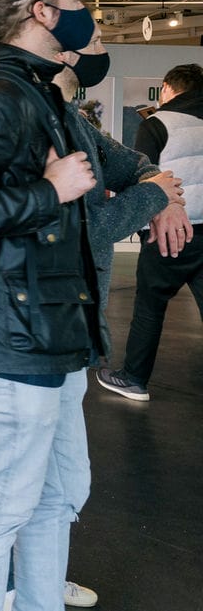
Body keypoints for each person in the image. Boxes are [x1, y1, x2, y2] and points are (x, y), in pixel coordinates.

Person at [0, 0, 185, 611]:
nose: (87, 13)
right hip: (13, 337)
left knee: (57, 493)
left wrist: (141, 190)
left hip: (58, 330)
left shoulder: (43, 98)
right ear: (41, 11)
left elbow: (113, 181)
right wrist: (49, 190)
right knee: (2, 499)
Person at [22, 29, 184, 611]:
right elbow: (82, 231)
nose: (92, 41)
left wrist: (162, 192)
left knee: (64, 483)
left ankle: (41, 577)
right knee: (14, 491)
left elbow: (136, 165)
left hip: (73, 328)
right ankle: (12, 591)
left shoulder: (75, 124)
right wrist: (155, 196)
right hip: (32, 329)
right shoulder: (32, 123)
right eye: (83, 34)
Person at [97, 61, 203, 402]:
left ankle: (134, 378)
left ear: (169, 89)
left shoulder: (158, 124)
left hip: (171, 229)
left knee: (150, 307)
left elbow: (144, 175)